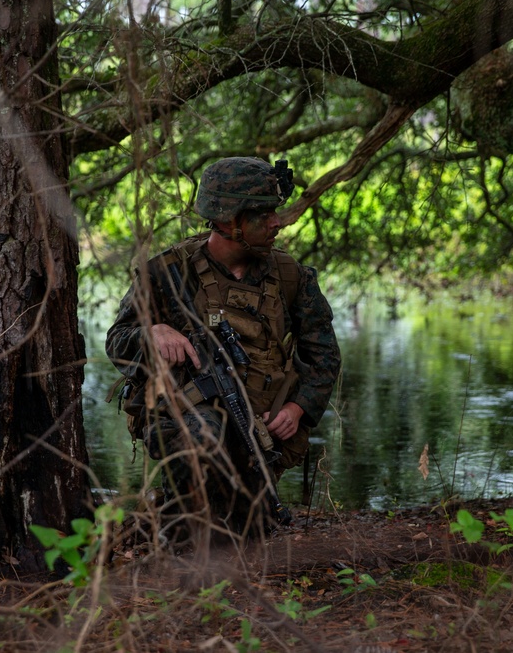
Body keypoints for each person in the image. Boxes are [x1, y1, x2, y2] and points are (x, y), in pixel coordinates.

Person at [105, 156, 341, 541]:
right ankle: (182, 531)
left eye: (274, 213)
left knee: (247, 531)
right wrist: (153, 332)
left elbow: (324, 356)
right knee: (201, 467)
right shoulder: (168, 273)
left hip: (260, 428)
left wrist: (299, 408)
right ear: (230, 221)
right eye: (263, 215)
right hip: (190, 421)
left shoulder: (289, 275)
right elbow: (116, 343)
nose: (276, 222)